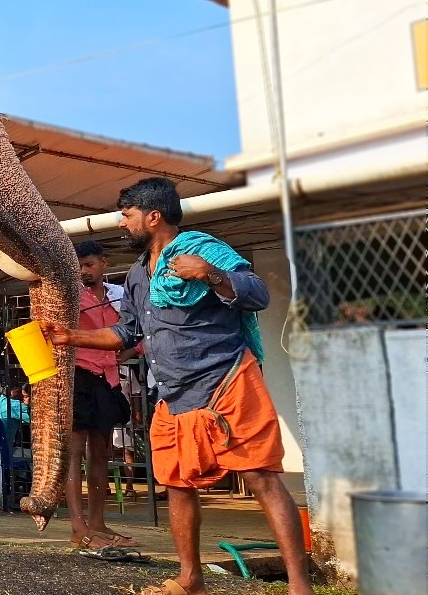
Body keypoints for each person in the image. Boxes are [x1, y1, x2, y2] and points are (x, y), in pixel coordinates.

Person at [41, 178, 313, 595]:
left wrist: (210, 274)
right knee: (177, 484)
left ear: (153, 216)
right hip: (172, 393)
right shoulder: (135, 274)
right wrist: (69, 337)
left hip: (225, 380)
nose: (121, 223)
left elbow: (256, 294)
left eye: (127, 215)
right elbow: (127, 332)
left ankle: (299, 587)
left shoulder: (203, 248)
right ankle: (191, 580)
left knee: (261, 477)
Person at [66, 240, 138, 551]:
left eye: (89, 265)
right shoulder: (70, 297)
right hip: (78, 378)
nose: (83, 271)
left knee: (101, 453)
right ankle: (78, 527)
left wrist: (126, 354)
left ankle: (98, 523)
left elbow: (128, 336)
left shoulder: (117, 298)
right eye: (79, 266)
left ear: (103, 264)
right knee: (74, 454)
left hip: (107, 379)